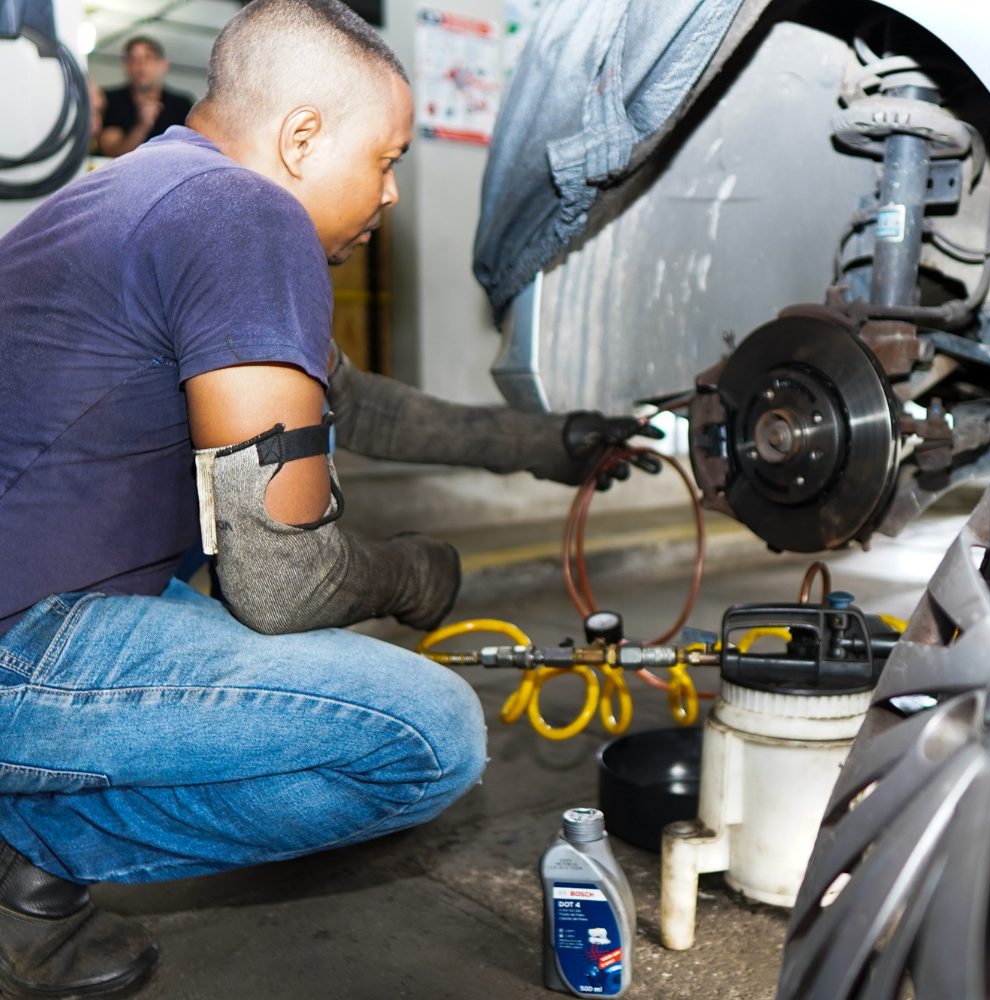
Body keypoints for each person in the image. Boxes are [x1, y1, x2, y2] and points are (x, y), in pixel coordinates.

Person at [0, 0, 661, 995]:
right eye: (387, 158)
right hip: (22, 638)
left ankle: (30, 872)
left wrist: (550, 444)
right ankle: (34, 852)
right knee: (425, 736)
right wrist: (409, 571)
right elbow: (282, 578)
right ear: (302, 138)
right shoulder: (245, 213)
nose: (392, 192)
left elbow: (362, 406)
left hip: (46, 603)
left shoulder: (141, 190)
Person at [98, 36, 194, 157]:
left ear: (163, 65)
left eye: (148, 58)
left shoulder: (182, 105)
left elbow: (191, 152)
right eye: (133, 59)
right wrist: (142, 125)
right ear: (126, 66)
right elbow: (111, 153)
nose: (140, 64)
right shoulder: (111, 100)